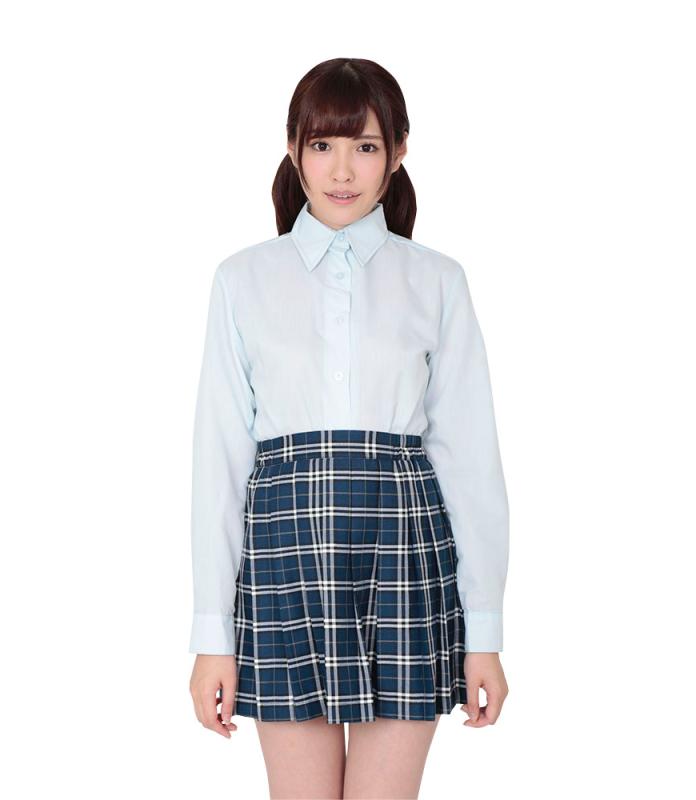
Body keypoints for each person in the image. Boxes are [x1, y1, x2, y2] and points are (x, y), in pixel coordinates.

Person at [188, 57, 510, 798]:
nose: (342, 170)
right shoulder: (242, 279)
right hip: (282, 564)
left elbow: (470, 462)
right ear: (293, 150)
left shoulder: (437, 280)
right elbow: (220, 462)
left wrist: (484, 633)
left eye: (365, 146)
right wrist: (212, 636)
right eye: (322, 144)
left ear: (397, 153)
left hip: (405, 560)